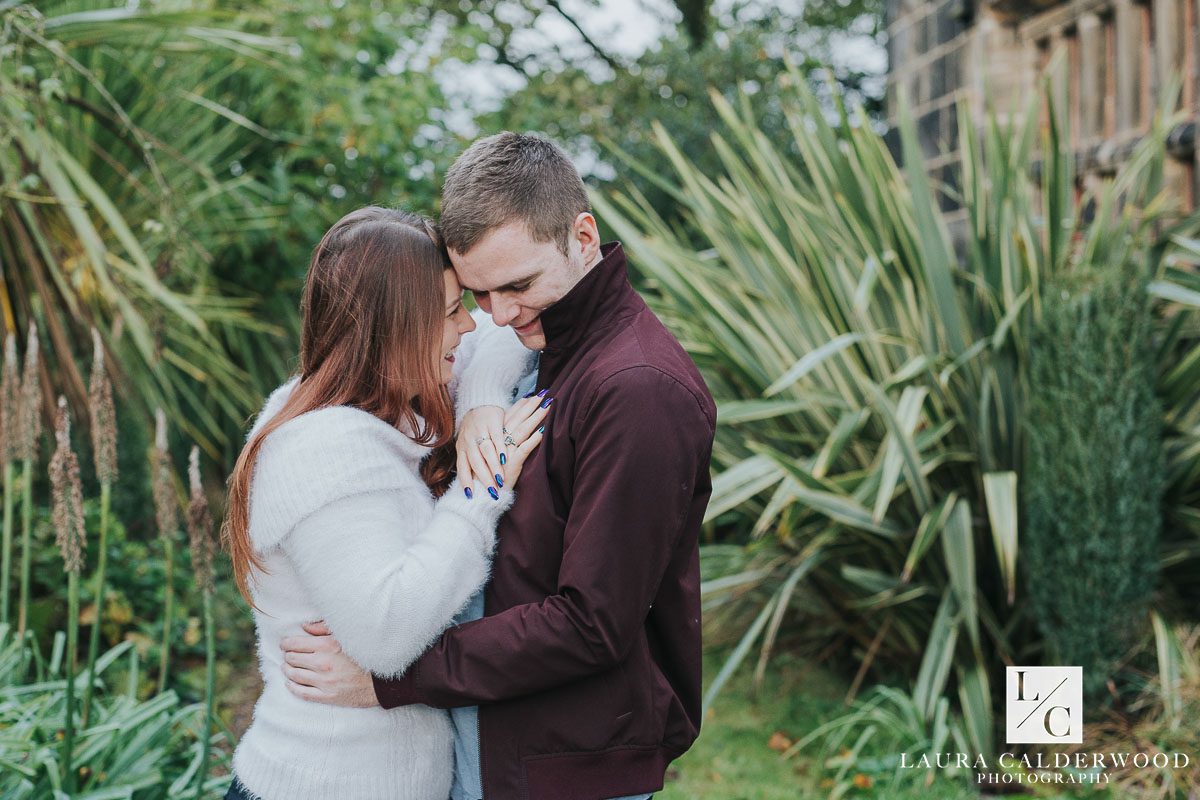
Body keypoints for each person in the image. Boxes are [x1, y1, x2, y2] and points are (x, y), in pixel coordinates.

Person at [281, 133, 717, 800]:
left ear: (583, 235)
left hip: (569, 766)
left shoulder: (639, 390)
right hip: (498, 739)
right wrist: (482, 404)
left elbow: (590, 623)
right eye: (479, 295)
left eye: (518, 285)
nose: (501, 316)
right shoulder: (544, 341)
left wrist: (389, 678)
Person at [222, 206, 547, 800]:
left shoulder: (388, 400)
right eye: (450, 313)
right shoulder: (322, 446)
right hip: (321, 785)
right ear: (395, 326)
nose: (468, 326)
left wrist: (477, 408)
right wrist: (482, 489)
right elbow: (387, 636)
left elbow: (500, 332)